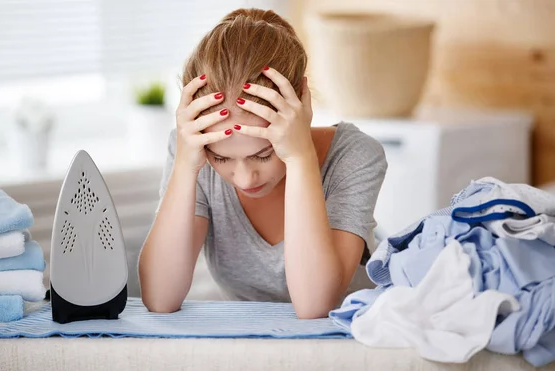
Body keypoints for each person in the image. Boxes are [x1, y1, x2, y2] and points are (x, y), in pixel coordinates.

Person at [138, 8, 387, 319]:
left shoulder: (355, 155)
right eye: (222, 158)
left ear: (299, 103)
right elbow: (160, 298)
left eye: (263, 154)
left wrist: (300, 158)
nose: (244, 178)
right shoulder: (193, 148)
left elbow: (315, 306)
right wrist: (187, 166)